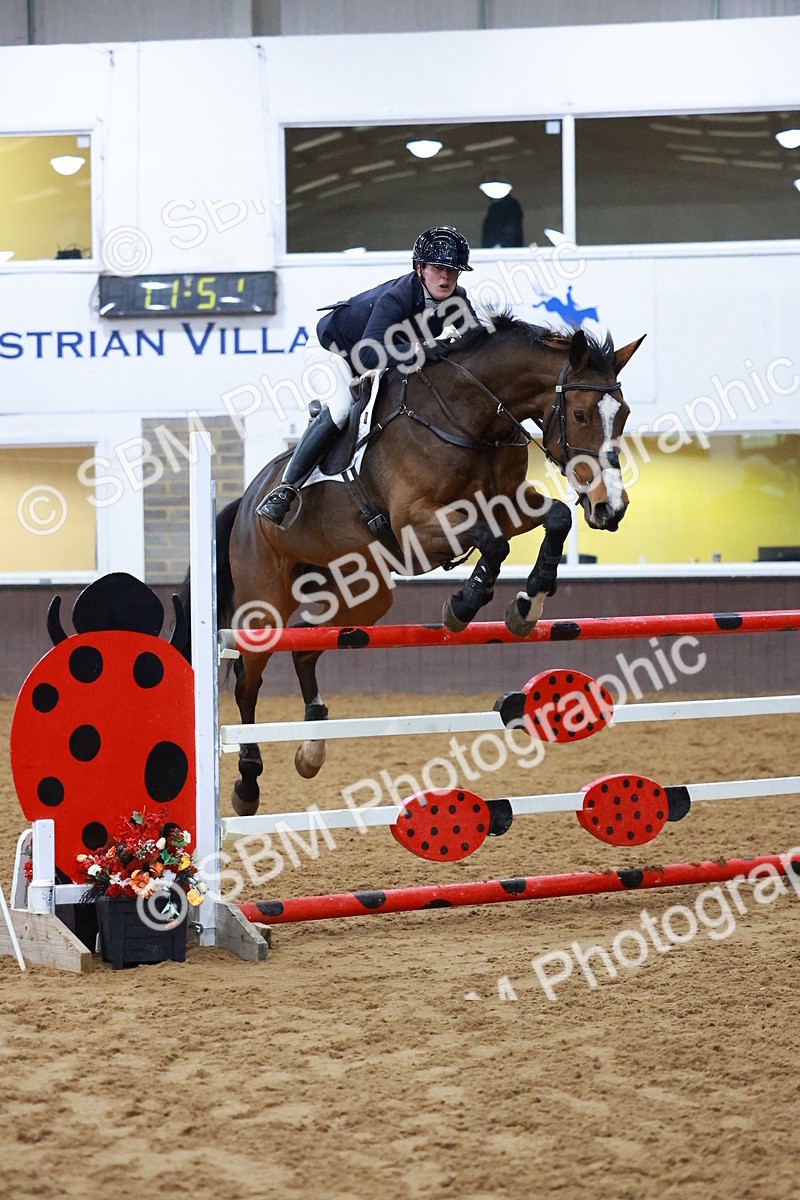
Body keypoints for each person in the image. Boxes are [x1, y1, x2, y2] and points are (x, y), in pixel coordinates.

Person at [256, 225, 481, 527]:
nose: (446, 277)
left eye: (454, 270)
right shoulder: (396, 298)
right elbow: (367, 356)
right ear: (419, 268)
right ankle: (285, 490)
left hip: (377, 359)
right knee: (339, 410)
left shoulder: (458, 300)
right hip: (333, 351)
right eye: (439, 268)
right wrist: (424, 348)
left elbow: (479, 345)